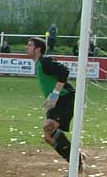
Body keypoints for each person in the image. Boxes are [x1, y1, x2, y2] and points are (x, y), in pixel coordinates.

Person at [26, 37, 86, 174]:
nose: (27, 48)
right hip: (57, 103)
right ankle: (77, 159)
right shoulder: (39, 64)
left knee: (48, 128)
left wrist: (55, 93)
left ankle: (76, 166)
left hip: (66, 99)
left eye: (30, 45)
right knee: (48, 137)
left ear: (38, 49)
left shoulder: (45, 61)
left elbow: (64, 71)